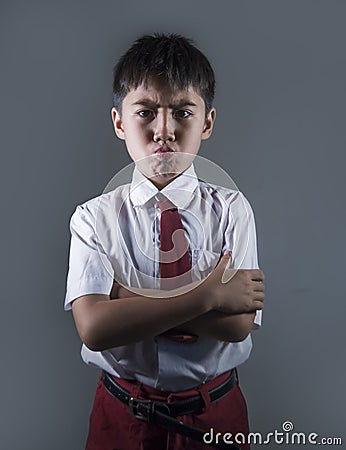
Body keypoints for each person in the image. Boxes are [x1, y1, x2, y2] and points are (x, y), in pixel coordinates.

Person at [65, 33, 265, 450]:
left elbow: (237, 325)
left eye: (182, 113)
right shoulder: (93, 218)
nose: (164, 131)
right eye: (146, 113)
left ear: (207, 122)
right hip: (123, 416)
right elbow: (95, 328)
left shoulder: (231, 209)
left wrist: (127, 299)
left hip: (214, 416)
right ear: (119, 122)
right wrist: (208, 296)